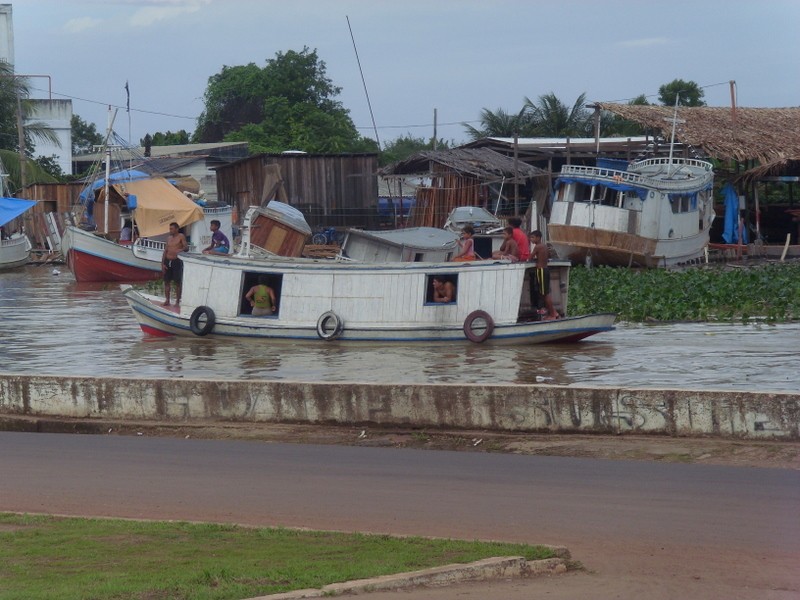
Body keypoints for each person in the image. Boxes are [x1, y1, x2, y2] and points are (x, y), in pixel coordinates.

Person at [529, 230, 558, 320]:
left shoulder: (537, 247)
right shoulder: (544, 246)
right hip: (545, 270)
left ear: (538, 237)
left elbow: (530, 257)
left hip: (541, 270)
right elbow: (547, 256)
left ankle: (553, 314)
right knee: (544, 293)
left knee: (544, 294)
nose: (531, 239)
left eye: (532, 237)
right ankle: (553, 312)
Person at [161, 222, 188, 306]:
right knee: (166, 281)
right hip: (167, 260)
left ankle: (177, 301)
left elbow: (186, 248)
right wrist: (162, 263)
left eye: (172, 229)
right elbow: (165, 250)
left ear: (177, 229)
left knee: (177, 282)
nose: (170, 230)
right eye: (170, 229)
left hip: (176, 261)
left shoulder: (181, 236)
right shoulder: (168, 238)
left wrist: (180, 250)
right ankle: (167, 300)